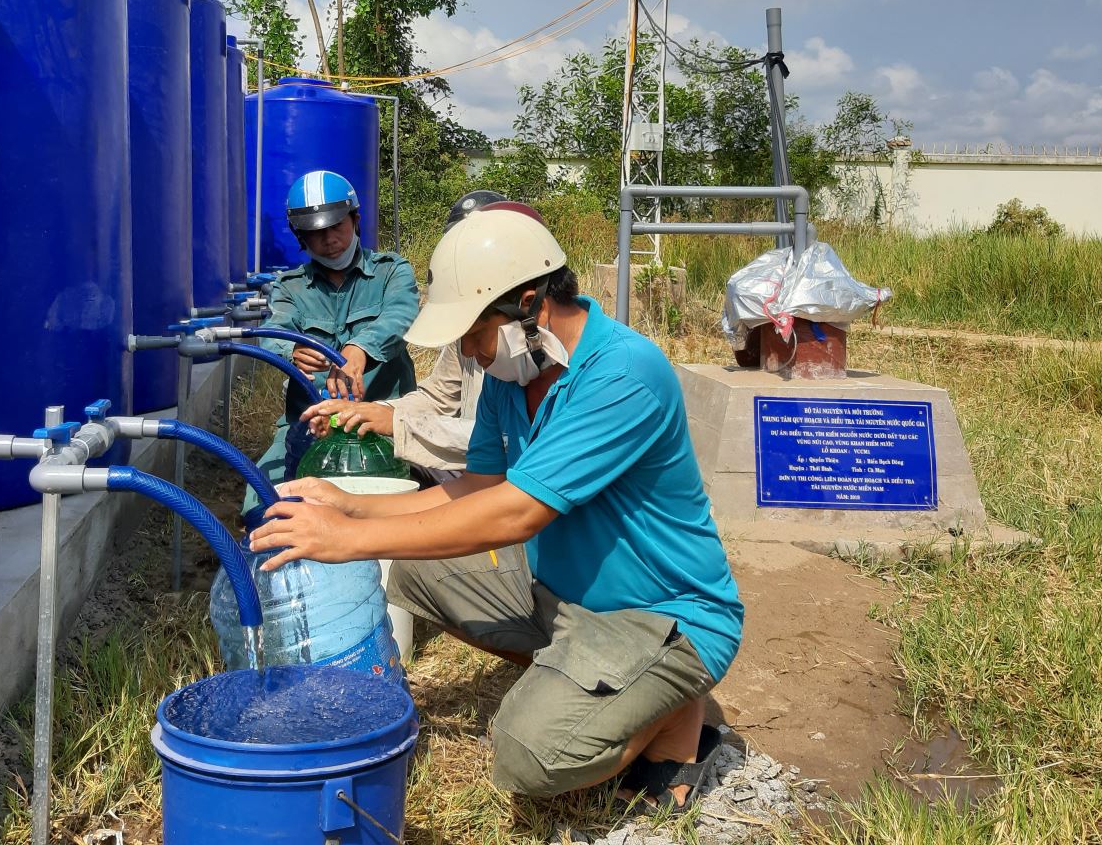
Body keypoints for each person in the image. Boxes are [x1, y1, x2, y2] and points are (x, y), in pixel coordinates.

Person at [251, 210, 744, 807]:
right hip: (562, 590)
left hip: (659, 612)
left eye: (472, 332)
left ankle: (672, 720)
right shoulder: (513, 378)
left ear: (530, 304)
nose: (466, 350)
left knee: (526, 754)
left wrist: (348, 539)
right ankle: (590, 677)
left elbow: (516, 514)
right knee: (420, 572)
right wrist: (348, 505)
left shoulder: (623, 374)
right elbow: (477, 487)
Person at [300, 190, 513, 486]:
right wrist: (369, 413)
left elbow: (508, 440)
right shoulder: (467, 321)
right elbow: (437, 397)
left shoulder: (535, 339)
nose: (468, 348)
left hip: (507, 477)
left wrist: (398, 426)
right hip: (472, 463)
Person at [244, 169, 419, 511]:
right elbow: (271, 335)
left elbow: (401, 315)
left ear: (355, 219)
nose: (329, 239)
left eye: (336, 226)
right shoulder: (289, 287)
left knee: (410, 503)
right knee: (260, 506)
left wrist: (360, 349)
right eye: (315, 232)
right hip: (311, 425)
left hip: (384, 420)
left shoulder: (391, 271)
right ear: (300, 237)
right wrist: (292, 351)